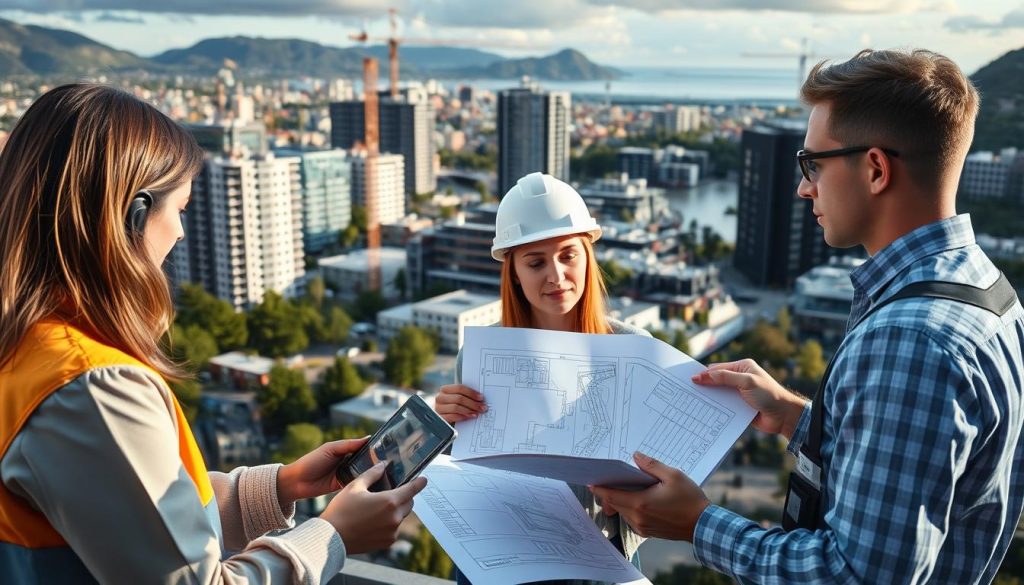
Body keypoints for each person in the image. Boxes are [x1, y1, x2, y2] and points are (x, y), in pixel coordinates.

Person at [590, 48, 1024, 583]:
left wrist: (698, 525)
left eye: (814, 164)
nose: (803, 186)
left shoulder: (911, 339)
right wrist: (800, 421)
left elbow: (857, 577)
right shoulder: (987, 292)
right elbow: (931, 477)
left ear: (875, 168)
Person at [0, 83, 426, 584]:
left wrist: (280, 487)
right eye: (179, 209)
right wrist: (333, 536)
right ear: (133, 216)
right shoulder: (92, 387)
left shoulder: (30, 349)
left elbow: (131, 527)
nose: (180, 233)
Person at [434, 171, 647, 584]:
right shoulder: (479, 357)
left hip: (600, 557)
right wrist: (446, 428)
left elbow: (661, 471)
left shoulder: (634, 349)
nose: (556, 275)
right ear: (513, 271)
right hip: (502, 552)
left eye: (568, 255)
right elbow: (476, 471)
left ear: (588, 256)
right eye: (535, 262)